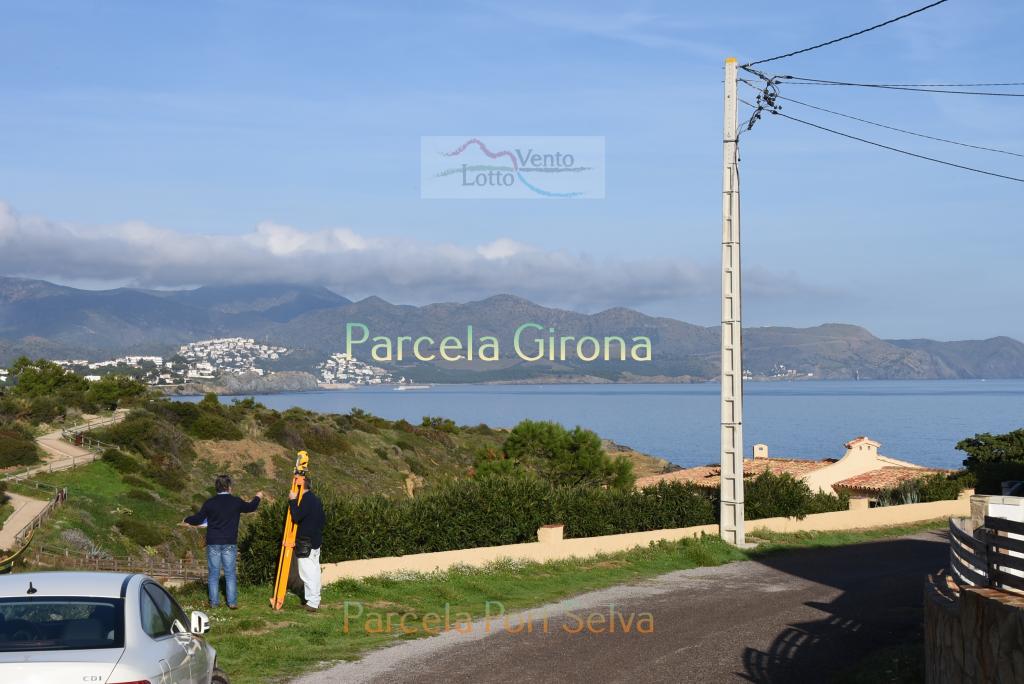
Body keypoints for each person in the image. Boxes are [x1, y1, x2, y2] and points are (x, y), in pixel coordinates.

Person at [183, 474, 262, 609]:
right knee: (230, 573)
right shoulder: (236, 502)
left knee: (213, 574)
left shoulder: (210, 503)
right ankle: (232, 602)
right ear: (229, 487)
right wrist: (258, 497)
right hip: (229, 542)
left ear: (216, 488)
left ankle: (214, 603)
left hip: (213, 542)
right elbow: (251, 507)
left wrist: (186, 519)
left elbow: (198, 519)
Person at [288, 475, 326, 612]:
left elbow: (296, 516)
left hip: (306, 542)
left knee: (307, 573)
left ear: (300, 486)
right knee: (314, 572)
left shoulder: (306, 500)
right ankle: (314, 599)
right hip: (315, 541)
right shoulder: (316, 499)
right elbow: (323, 520)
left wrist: (292, 501)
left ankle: (312, 603)